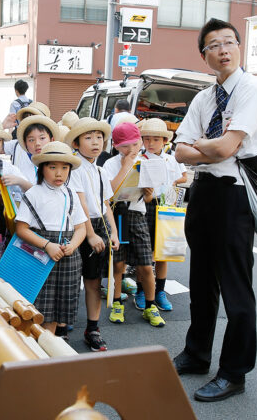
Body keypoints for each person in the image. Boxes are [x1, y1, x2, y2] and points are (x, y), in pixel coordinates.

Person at [172, 18, 257, 402]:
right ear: (205, 56)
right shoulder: (203, 98)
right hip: (204, 194)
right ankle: (197, 354)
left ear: (239, 47)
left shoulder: (252, 91)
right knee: (201, 283)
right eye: (214, 45)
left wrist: (202, 146)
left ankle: (234, 372)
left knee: (235, 287)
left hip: (234, 195)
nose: (223, 49)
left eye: (229, 42)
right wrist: (204, 148)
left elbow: (227, 148)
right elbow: (179, 151)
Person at [15, 141, 87, 337]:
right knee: (36, 305)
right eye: (53, 167)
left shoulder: (71, 194)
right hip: (39, 254)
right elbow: (21, 229)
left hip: (67, 255)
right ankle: (33, 350)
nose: (59, 173)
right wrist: (47, 245)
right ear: (42, 168)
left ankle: (49, 347)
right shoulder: (34, 193)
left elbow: (81, 227)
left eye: (64, 168)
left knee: (57, 309)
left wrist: (72, 245)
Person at [63, 117, 120, 352]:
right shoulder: (73, 166)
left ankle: (93, 328)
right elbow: (80, 202)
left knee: (94, 281)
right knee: (70, 279)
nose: (95, 142)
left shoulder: (99, 170)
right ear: (76, 143)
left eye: (99, 137)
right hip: (78, 226)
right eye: (88, 138)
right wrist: (89, 235)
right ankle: (61, 327)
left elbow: (105, 204)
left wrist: (113, 232)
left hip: (100, 226)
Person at [102, 122, 165, 328]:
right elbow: (108, 194)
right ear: (116, 146)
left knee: (146, 264)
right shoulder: (111, 164)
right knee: (119, 264)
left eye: (135, 144)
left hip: (137, 215)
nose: (131, 150)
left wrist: (148, 193)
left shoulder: (145, 161)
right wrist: (125, 167)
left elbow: (148, 199)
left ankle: (150, 305)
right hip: (117, 214)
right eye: (125, 146)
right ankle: (118, 302)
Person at [133, 118, 187, 313]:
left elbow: (183, 177)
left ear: (165, 141)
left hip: (166, 207)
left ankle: (160, 291)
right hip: (143, 207)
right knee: (144, 254)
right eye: (146, 139)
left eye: (156, 139)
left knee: (163, 252)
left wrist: (171, 185)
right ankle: (141, 290)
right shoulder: (138, 159)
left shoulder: (171, 159)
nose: (151, 143)